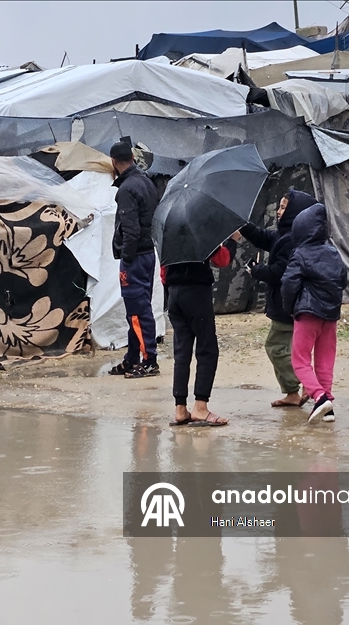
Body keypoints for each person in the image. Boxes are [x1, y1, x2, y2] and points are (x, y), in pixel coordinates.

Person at [233, 188, 318, 407]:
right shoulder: (288, 233)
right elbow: (264, 237)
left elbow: (280, 272)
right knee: (291, 349)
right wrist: (243, 225)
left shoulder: (291, 239)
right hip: (290, 305)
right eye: (279, 207)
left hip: (286, 305)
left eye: (283, 207)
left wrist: (256, 270)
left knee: (276, 347)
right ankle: (294, 392)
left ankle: (305, 385)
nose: (279, 212)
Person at [280, 204, 347, 425]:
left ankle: (319, 397)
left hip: (307, 313)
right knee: (325, 361)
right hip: (330, 315)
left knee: (299, 359)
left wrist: (290, 308)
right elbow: (343, 280)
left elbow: (289, 283)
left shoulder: (300, 253)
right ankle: (328, 408)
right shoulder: (333, 252)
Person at [166, 242, 234, 426]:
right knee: (207, 348)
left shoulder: (169, 234)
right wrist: (230, 243)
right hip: (196, 291)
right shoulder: (200, 232)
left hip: (174, 293)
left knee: (182, 352)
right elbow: (222, 260)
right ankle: (200, 407)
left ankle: (180, 408)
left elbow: (163, 274)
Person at [108, 141, 160, 379]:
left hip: (135, 257)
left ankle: (149, 360)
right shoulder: (146, 182)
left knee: (138, 311)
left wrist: (126, 259)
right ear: (132, 157)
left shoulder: (126, 189)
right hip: (148, 254)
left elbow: (131, 230)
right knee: (136, 310)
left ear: (113, 162)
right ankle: (132, 358)